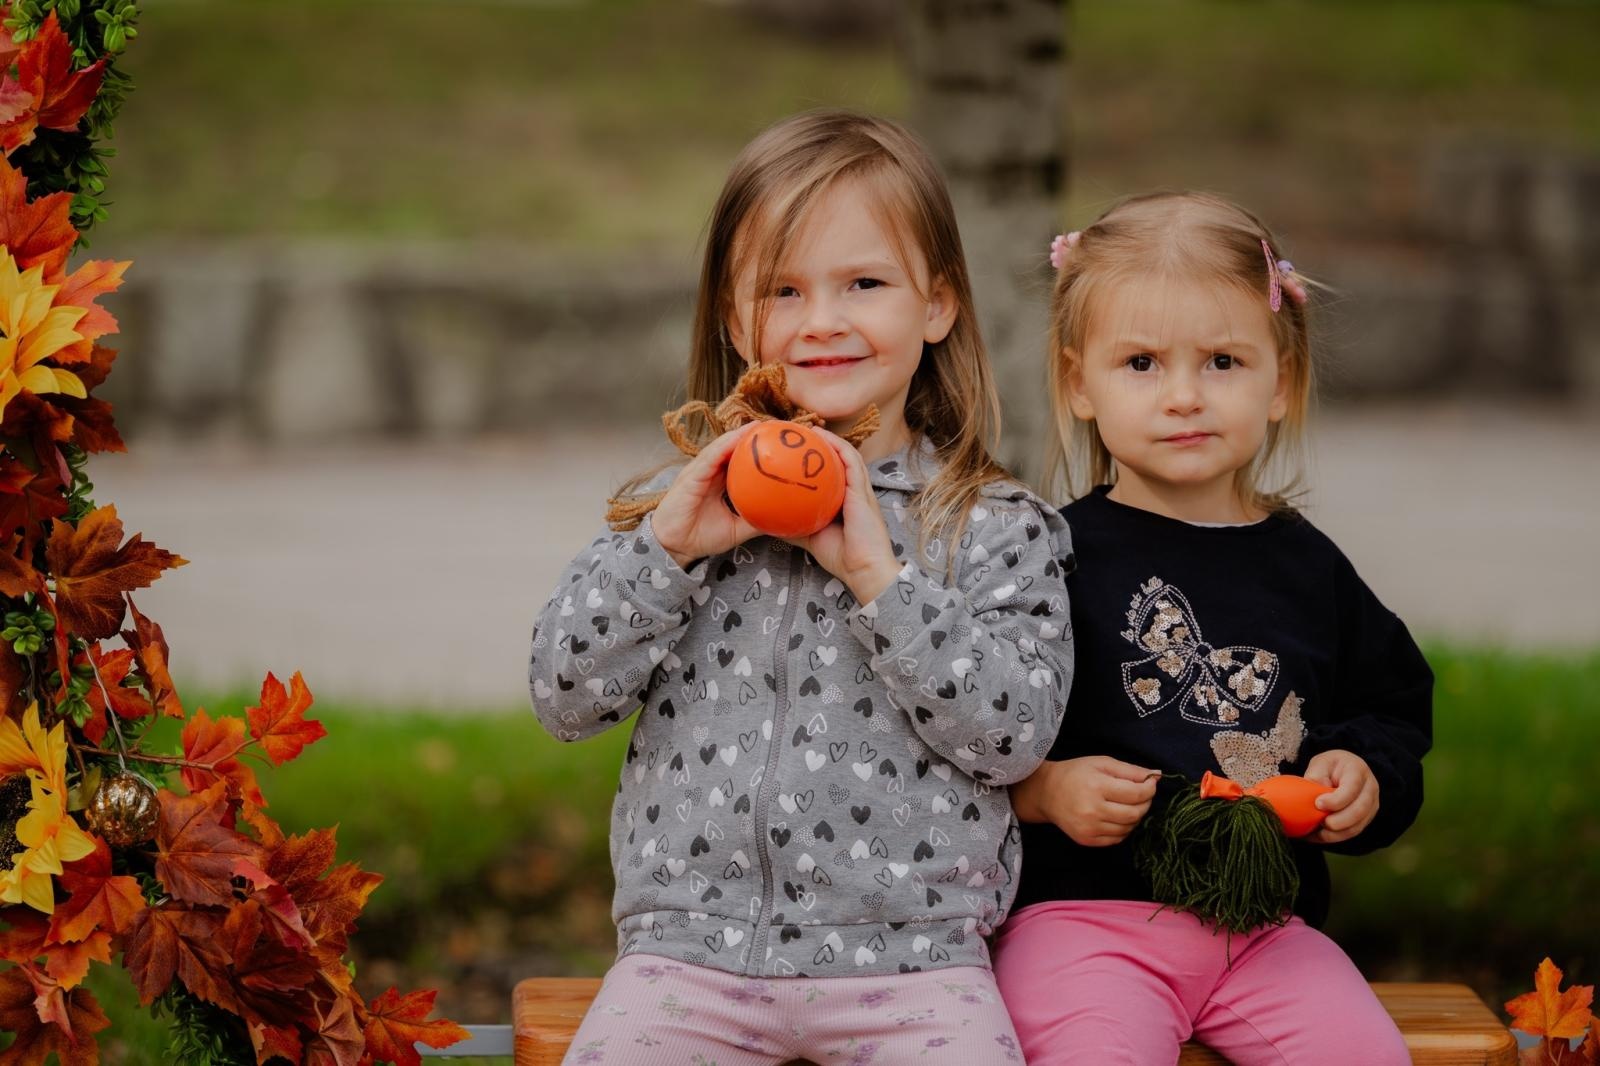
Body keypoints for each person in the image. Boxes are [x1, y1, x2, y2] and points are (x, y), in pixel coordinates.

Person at [528, 109, 1074, 1065]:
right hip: (687, 964)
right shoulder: (683, 511)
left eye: (864, 283)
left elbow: (1015, 735)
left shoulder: (988, 524)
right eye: (782, 291)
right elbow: (562, 696)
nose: (822, 320)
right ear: (738, 321)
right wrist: (667, 550)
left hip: (916, 968)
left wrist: (880, 578)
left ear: (936, 306)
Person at [995, 192, 1433, 1065]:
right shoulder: (1047, 558)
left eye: (1224, 361)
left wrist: (1362, 777)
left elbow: (1390, 708)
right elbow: (960, 730)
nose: (1185, 396)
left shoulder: (1310, 570)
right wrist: (1040, 791)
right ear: (1081, 383)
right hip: (1086, 926)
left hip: (1266, 932)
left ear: (1283, 384)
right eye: (1144, 363)